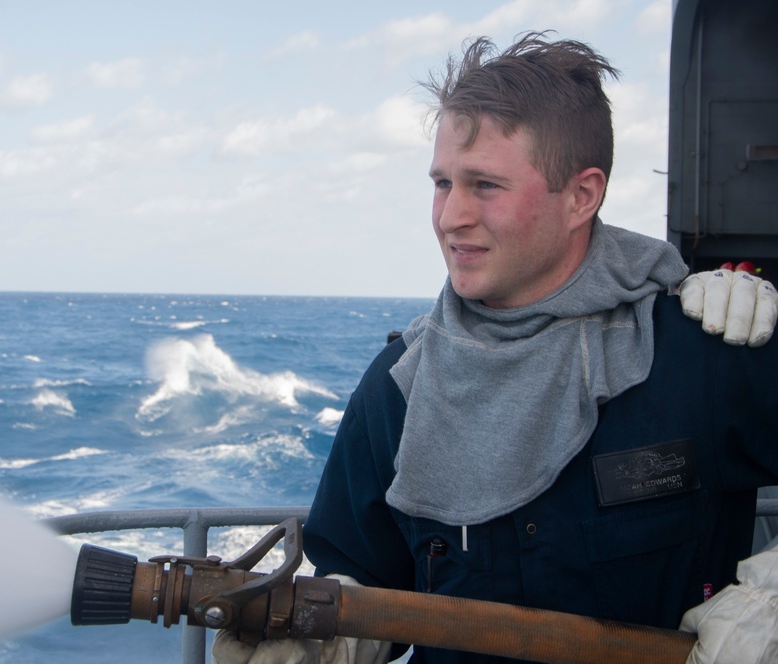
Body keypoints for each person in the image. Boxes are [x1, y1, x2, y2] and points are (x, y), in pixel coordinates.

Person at [213, 33, 778, 664]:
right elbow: (364, 580)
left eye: (484, 185)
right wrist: (330, 639)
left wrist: (769, 604)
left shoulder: (698, 353)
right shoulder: (398, 388)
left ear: (581, 197)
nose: (451, 215)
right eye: (442, 183)